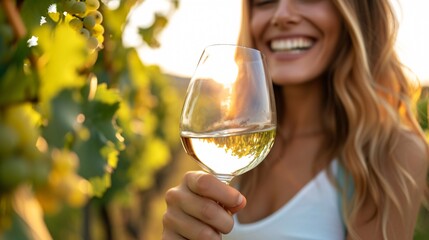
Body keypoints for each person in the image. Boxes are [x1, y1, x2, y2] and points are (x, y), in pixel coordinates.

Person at [162, 0, 429, 239]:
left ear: (355, 11)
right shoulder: (237, 139)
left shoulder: (389, 154)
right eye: (265, 2)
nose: (282, 14)